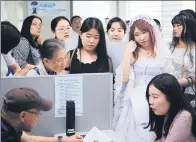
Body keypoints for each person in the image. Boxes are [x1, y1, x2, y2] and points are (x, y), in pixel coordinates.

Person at [112, 15, 174, 142]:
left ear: (152, 31)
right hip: (137, 100)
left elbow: (170, 78)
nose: (142, 37)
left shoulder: (163, 52)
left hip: (160, 97)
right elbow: (124, 79)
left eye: (144, 32)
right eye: (137, 34)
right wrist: (127, 53)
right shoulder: (134, 53)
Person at [1, 88, 83, 142]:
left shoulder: (9, 125)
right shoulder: (5, 138)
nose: (39, 116)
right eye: (37, 112)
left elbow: (27, 139)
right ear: (23, 116)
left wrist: (65, 140)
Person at [145, 73, 196, 142]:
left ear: (171, 97)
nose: (150, 101)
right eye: (149, 96)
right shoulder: (162, 113)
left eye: (155, 97)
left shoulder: (184, 117)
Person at [170, 10, 196, 107]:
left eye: (178, 25)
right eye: (174, 26)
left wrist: (180, 82)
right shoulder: (170, 47)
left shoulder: (193, 49)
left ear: (187, 27)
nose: (175, 29)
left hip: (189, 93)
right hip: (170, 91)